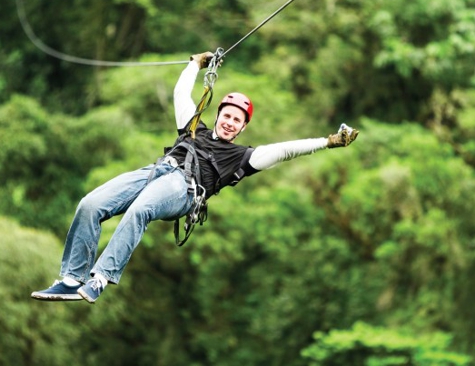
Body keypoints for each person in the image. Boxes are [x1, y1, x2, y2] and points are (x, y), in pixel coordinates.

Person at [31, 51, 359, 304]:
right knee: (91, 204)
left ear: (243, 128)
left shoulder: (243, 157)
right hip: (156, 172)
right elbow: (180, 95)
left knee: (140, 210)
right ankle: (72, 279)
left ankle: (100, 278)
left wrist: (327, 142)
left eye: (237, 121)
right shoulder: (193, 128)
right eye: (227, 116)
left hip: (185, 188)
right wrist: (194, 64)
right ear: (218, 116)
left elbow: (287, 149)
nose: (230, 122)